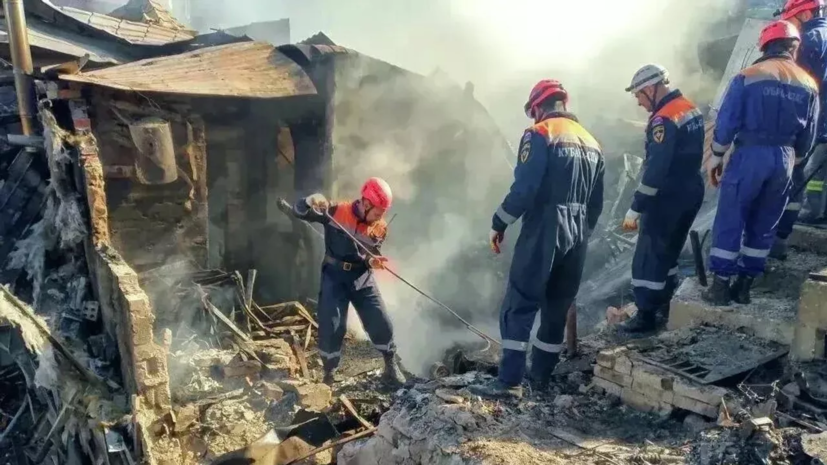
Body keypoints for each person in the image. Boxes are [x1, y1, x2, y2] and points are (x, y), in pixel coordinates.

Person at [470, 79, 605, 399]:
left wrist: (499, 222)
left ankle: (509, 382)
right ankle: (540, 378)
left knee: (520, 302)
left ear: (538, 107)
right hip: (579, 232)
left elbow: (525, 189)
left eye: (533, 112)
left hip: (545, 226)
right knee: (557, 306)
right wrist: (581, 232)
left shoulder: (540, 133)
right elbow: (597, 204)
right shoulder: (593, 142)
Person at [704, 20, 819, 305]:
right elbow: (810, 134)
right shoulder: (809, 84)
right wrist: (795, 158)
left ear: (765, 45)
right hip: (785, 158)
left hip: (750, 155)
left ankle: (720, 286)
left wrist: (716, 156)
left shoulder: (749, 75)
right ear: (794, 48)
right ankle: (744, 286)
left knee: (732, 216)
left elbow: (727, 121)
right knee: (766, 221)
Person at [292, 177, 406, 386]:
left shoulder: (380, 228)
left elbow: (370, 255)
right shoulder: (336, 211)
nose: (380, 217)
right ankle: (329, 375)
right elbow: (298, 211)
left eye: (383, 213)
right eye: (378, 211)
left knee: (379, 319)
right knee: (332, 325)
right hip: (334, 276)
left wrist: (373, 261)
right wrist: (309, 201)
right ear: (366, 203)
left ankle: (390, 365)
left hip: (362, 277)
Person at [617, 64, 705, 334]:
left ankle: (645, 315)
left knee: (648, 257)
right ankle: (664, 305)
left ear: (650, 88)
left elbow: (656, 169)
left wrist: (635, 208)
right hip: (691, 190)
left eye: (639, 96)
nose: (640, 103)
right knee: (669, 254)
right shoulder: (689, 107)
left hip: (667, 196)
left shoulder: (663, 119)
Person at [772, 0, 827, 259]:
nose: (790, 26)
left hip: (815, 121)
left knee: (804, 175)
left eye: (792, 18)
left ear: (805, 13)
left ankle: (810, 214)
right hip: (822, 118)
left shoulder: (809, 40)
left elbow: (801, 86)